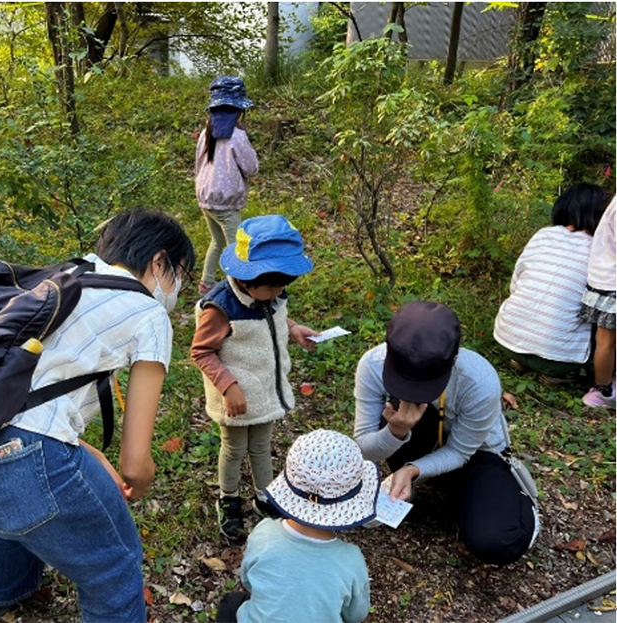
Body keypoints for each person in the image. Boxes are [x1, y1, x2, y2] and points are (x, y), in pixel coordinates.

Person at [0, 207, 196, 623]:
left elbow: (11, 405)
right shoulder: (147, 313)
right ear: (159, 262)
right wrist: (139, 481)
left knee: (15, 499)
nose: (177, 288)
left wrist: (85, 454)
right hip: (10, 472)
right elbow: (134, 464)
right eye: (180, 274)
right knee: (115, 566)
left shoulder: (52, 281)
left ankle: (3, 603)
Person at [354, 301, 539, 565]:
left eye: (426, 384)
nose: (413, 392)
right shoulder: (372, 365)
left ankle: (517, 506)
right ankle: (425, 488)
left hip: (476, 455)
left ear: (453, 358)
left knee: (496, 542)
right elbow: (362, 448)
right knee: (401, 413)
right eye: (404, 380)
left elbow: (461, 451)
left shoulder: (478, 380)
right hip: (417, 441)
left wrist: (412, 470)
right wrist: (395, 431)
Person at [191, 214, 319, 540]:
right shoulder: (220, 308)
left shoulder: (273, 295)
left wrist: (294, 329)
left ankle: (266, 496)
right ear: (247, 280)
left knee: (262, 446)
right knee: (233, 449)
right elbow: (201, 352)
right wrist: (228, 387)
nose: (278, 292)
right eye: (272, 286)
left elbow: (277, 319)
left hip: (265, 393)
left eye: (283, 286)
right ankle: (229, 499)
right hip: (235, 398)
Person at [215, 429, 376, 623]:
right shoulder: (351, 560)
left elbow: (249, 581)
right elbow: (356, 614)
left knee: (230, 603)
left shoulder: (264, 533)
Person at [494, 183, 609, 382]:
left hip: (506, 339)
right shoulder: (599, 252)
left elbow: (516, 282)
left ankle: (521, 360)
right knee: (605, 324)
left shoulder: (544, 234)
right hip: (557, 357)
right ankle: (559, 373)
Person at [195, 75, 259, 295]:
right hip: (226, 202)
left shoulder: (206, 133)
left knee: (217, 241)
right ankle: (238, 290)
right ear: (239, 111)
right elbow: (251, 168)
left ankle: (207, 283)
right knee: (237, 249)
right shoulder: (237, 136)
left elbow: (198, 164)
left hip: (206, 198)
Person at [580, 196, 616, 409]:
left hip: (603, 279)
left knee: (606, 340)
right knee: (607, 341)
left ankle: (603, 386)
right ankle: (602, 391)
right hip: (612, 282)